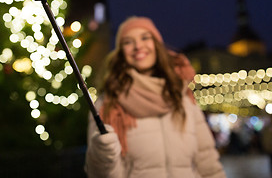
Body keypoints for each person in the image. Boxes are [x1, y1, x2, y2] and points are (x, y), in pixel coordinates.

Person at [85, 16, 226, 178]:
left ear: (157, 44)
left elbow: (208, 163)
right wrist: (102, 155)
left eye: (145, 38)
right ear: (121, 52)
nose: (138, 46)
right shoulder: (109, 103)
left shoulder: (182, 96)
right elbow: (99, 174)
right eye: (128, 42)